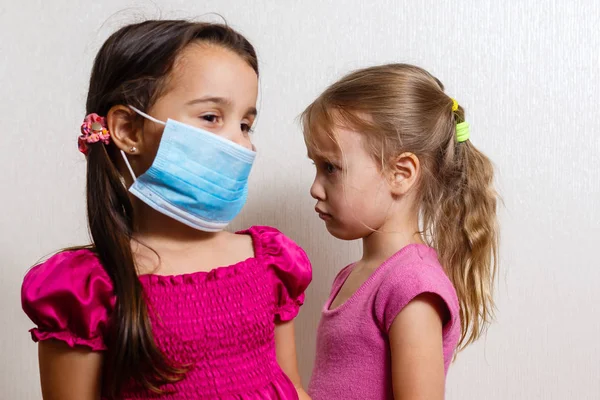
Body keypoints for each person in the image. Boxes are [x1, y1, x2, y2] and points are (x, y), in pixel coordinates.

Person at [21, 20, 312, 400]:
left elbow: (291, 387)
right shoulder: (90, 288)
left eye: (245, 124)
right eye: (211, 117)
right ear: (127, 130)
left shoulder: (270, 260)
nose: (239, 143)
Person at [303, 63, 499, 399]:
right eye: (316, 167)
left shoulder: (411, 283)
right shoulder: (353, 276)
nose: (315, 188)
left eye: (331, 168)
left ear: (401, 173)